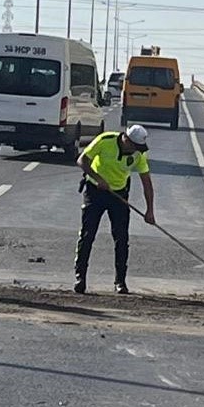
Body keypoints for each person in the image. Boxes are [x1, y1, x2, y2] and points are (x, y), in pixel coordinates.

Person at [74, 124, 156, 295]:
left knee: (121, 238)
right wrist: (98, 179)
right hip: (95, 190)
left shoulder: (139, 154)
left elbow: (146, 182)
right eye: (135, 146)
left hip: (118, 194)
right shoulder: (105, 140)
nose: (137, 151)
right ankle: (80, 277)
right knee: (87, 234)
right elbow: (82, 160)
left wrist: (150, 211)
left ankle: (120, 281)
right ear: (126, 139)